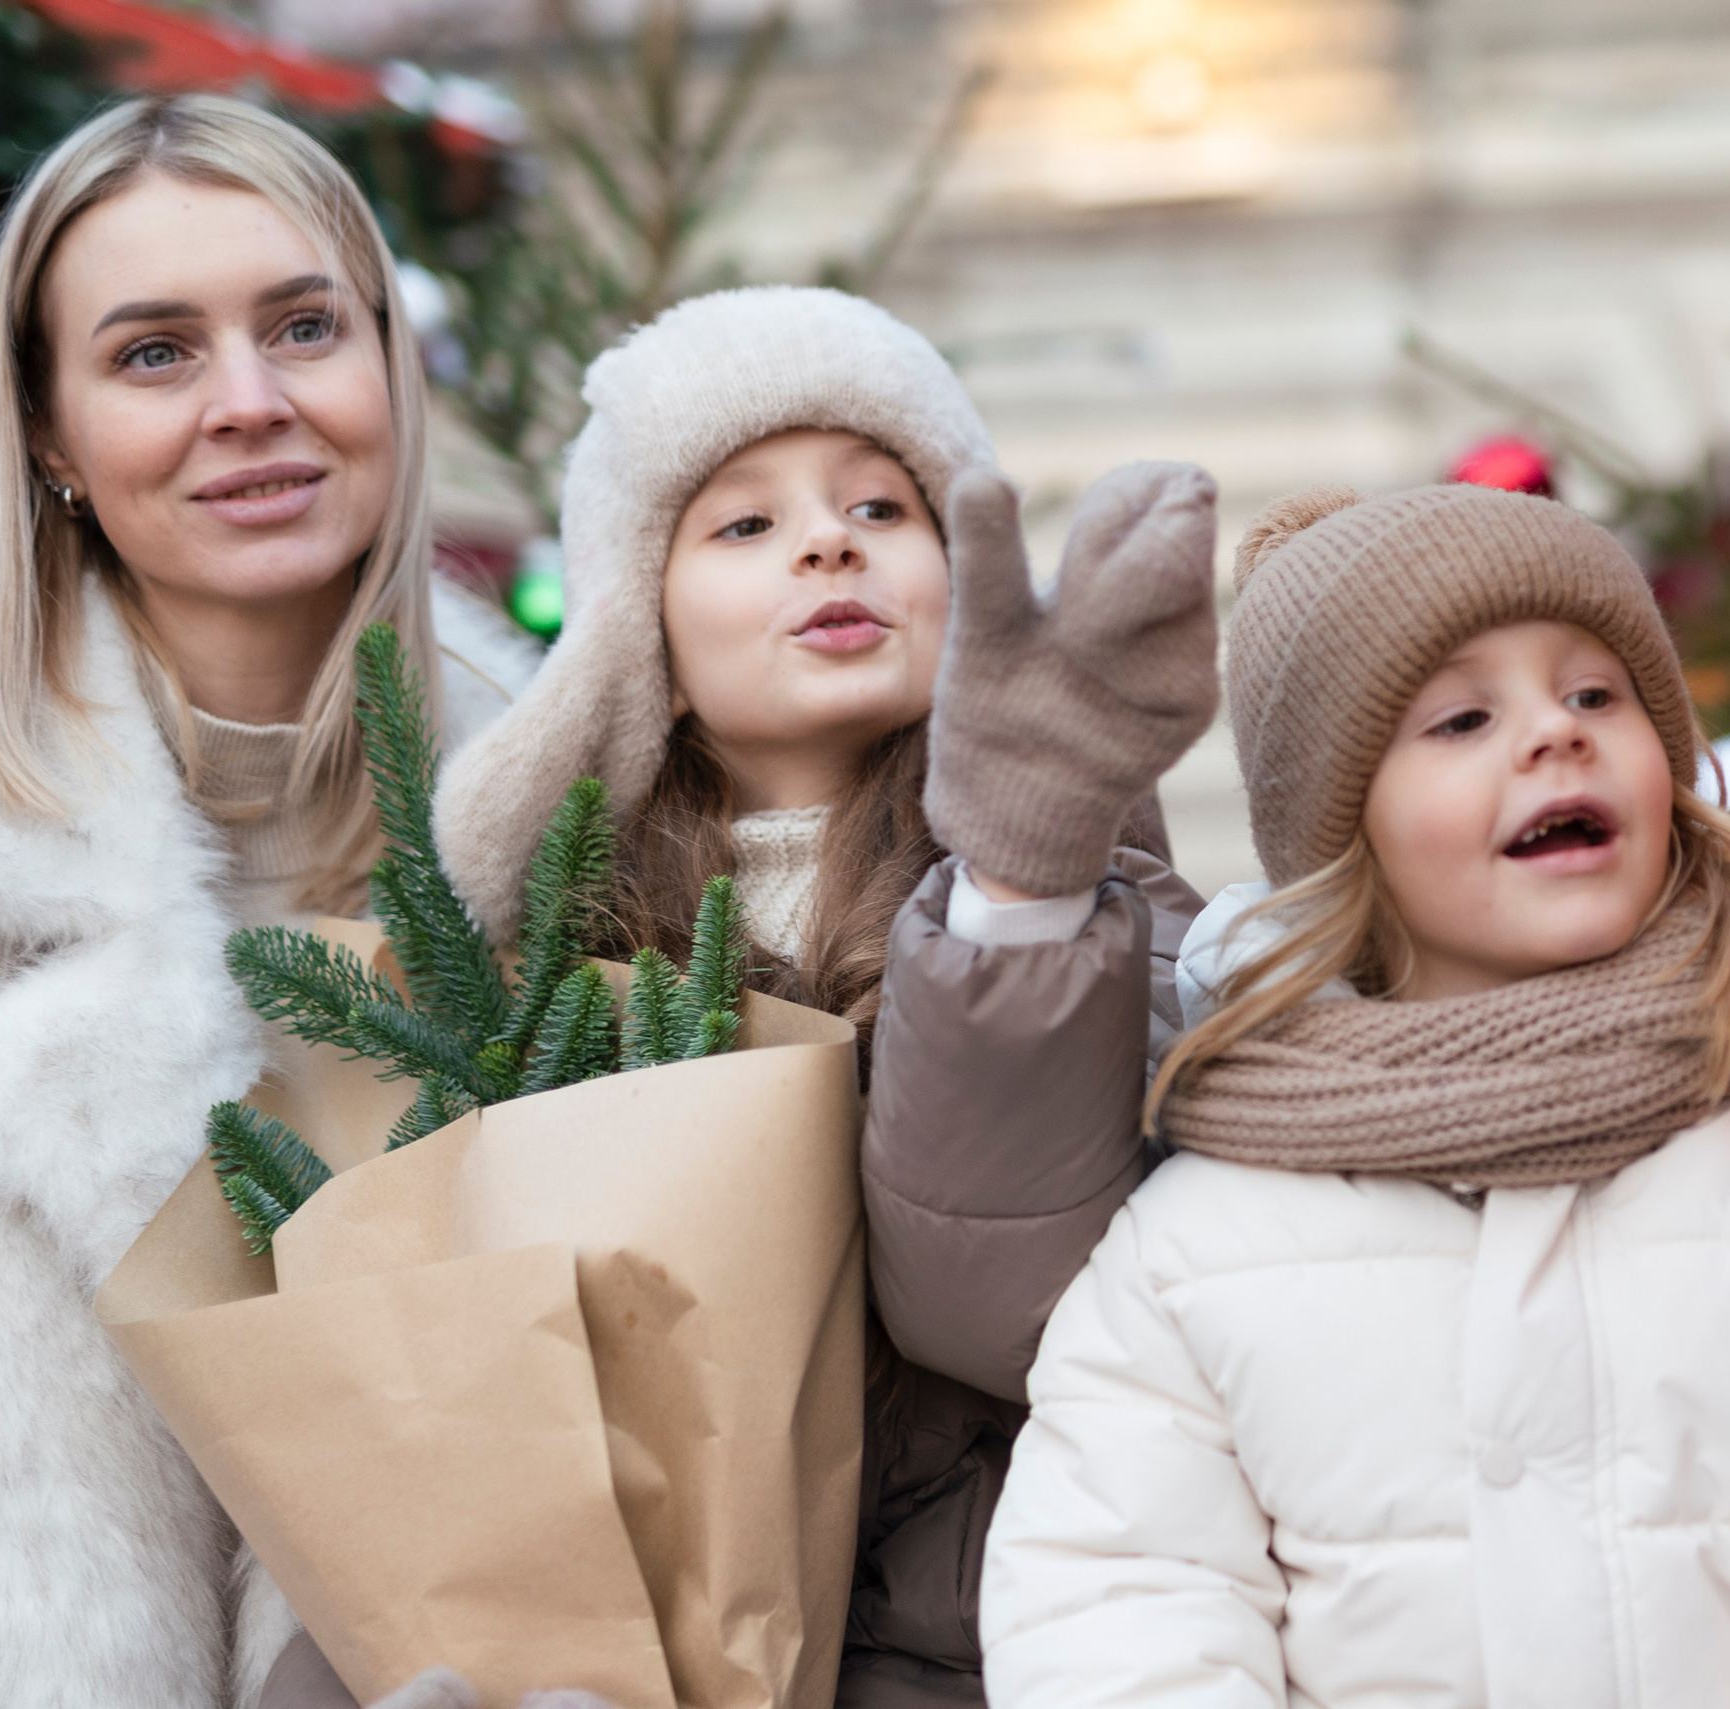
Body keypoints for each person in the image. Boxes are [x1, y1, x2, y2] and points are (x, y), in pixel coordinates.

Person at [978, 484, 1730, 1708]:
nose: (1555, 731)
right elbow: (1116, 1618)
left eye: (1596, 694)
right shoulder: (1197, 1248)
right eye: (1461, 717)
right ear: (1344, 829)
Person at [410, 285, 1220, 1709]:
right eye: (745, 525)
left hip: (993, 1636)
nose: (828, 543)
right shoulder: (560, 966)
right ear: (641, 636)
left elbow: (1035, 1297)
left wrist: (1021, 886)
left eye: (880, 507)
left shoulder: (1104, 911)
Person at [0, 94, 538, 1709]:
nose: (250, 403)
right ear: (45, 431)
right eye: (155, 352)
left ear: (388, 367)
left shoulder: (547, 809)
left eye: (303, 327)